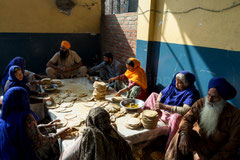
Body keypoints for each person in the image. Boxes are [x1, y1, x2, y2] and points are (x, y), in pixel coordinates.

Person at [165, 77, 240, 160]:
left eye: (214, 97)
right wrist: (184, 134)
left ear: (222, 99)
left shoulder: (235, 115)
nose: (209, 99)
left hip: (218, 152)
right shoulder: (201, 103)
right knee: (180, 135)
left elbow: (233, 144)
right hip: (199, 145)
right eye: (208, 95)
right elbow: (187, 119)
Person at [0, 87, 72, 160]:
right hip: (20, 155)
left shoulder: (5, 115)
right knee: (56, 147)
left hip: (5, 155)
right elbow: (39, 142)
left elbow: (25, 131)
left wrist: (46, 126)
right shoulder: (26, 118)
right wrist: (58, 135)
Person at [143, 71, 200, 148]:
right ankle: (144, 117)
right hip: (162, 111)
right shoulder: (173, 86)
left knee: (176, 117)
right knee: (153, 95)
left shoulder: (191, 93)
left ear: (187, 83)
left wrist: (165, 107)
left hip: (172, 116)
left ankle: (169, 146)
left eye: (180, 82)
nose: (177, 83)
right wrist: (157, 105)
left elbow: (185, 110)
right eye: (176, 80)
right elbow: (161, 93)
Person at [60, 107, 134, 160]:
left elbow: (65, 158)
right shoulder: (113, 133)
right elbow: (128, 145)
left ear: (89, 120)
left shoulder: (87, 137)